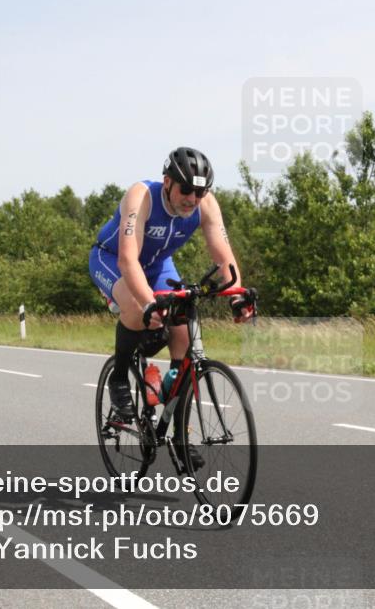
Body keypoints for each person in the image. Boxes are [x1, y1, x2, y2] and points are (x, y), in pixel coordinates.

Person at [89, 147, 254, 466]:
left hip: (158, 265)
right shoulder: (141, 197)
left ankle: (179, 433)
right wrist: (150, 304)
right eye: (186, 190)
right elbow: (127, 260)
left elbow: (224, 256)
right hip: (111, 259)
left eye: (200, 192)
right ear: (167, 182)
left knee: (183, 335)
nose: (193, 198)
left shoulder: (206, 204)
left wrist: (237, 295)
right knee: (137, 308)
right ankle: (119, 378)